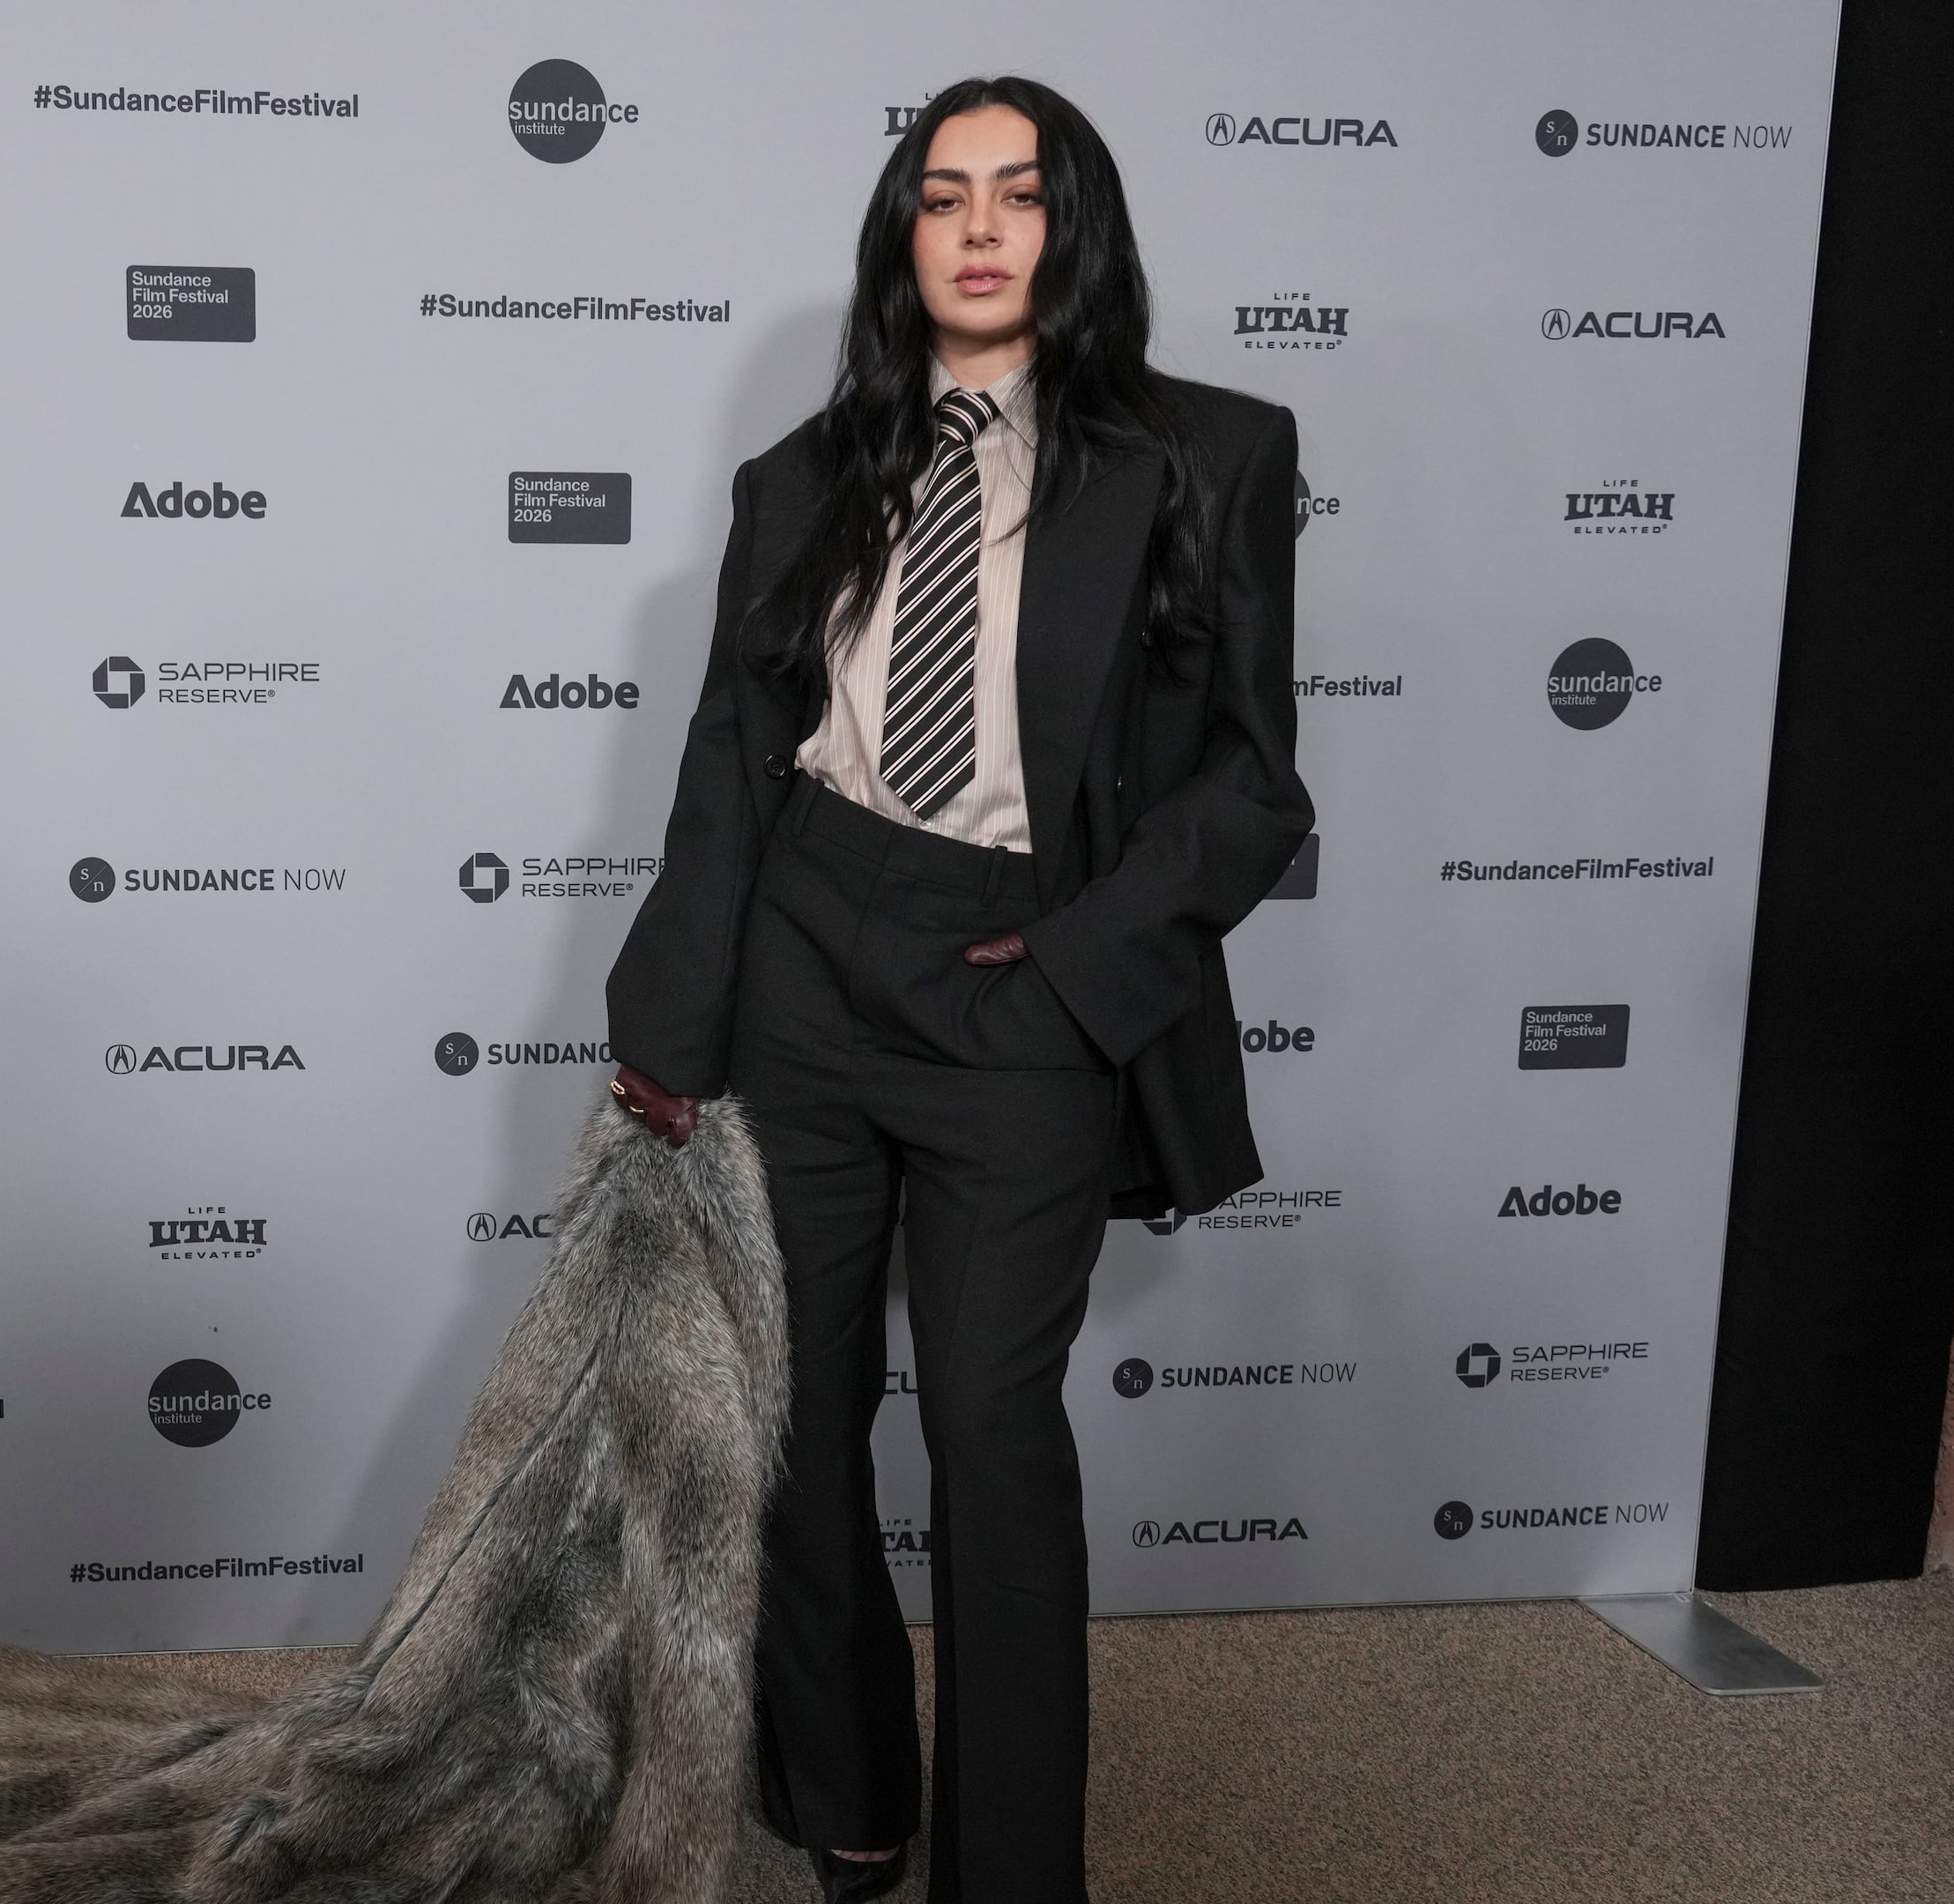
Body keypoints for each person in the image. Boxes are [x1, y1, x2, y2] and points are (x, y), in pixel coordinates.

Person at [601, 76, 1312, 1904]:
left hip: (1026, 973)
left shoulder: (1208, 459)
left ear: (1077, 226)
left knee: (995, 1431)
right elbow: (727, 758)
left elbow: (1253, 782)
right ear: (900, 236)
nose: (981, 229)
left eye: (1019, 194)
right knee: (798, 1413)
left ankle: (1014, 1874)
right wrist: (672, 1021)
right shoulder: (803, 477)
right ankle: (847, 1804)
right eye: (943, 195)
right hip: (807, 968)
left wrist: (1079, 966)